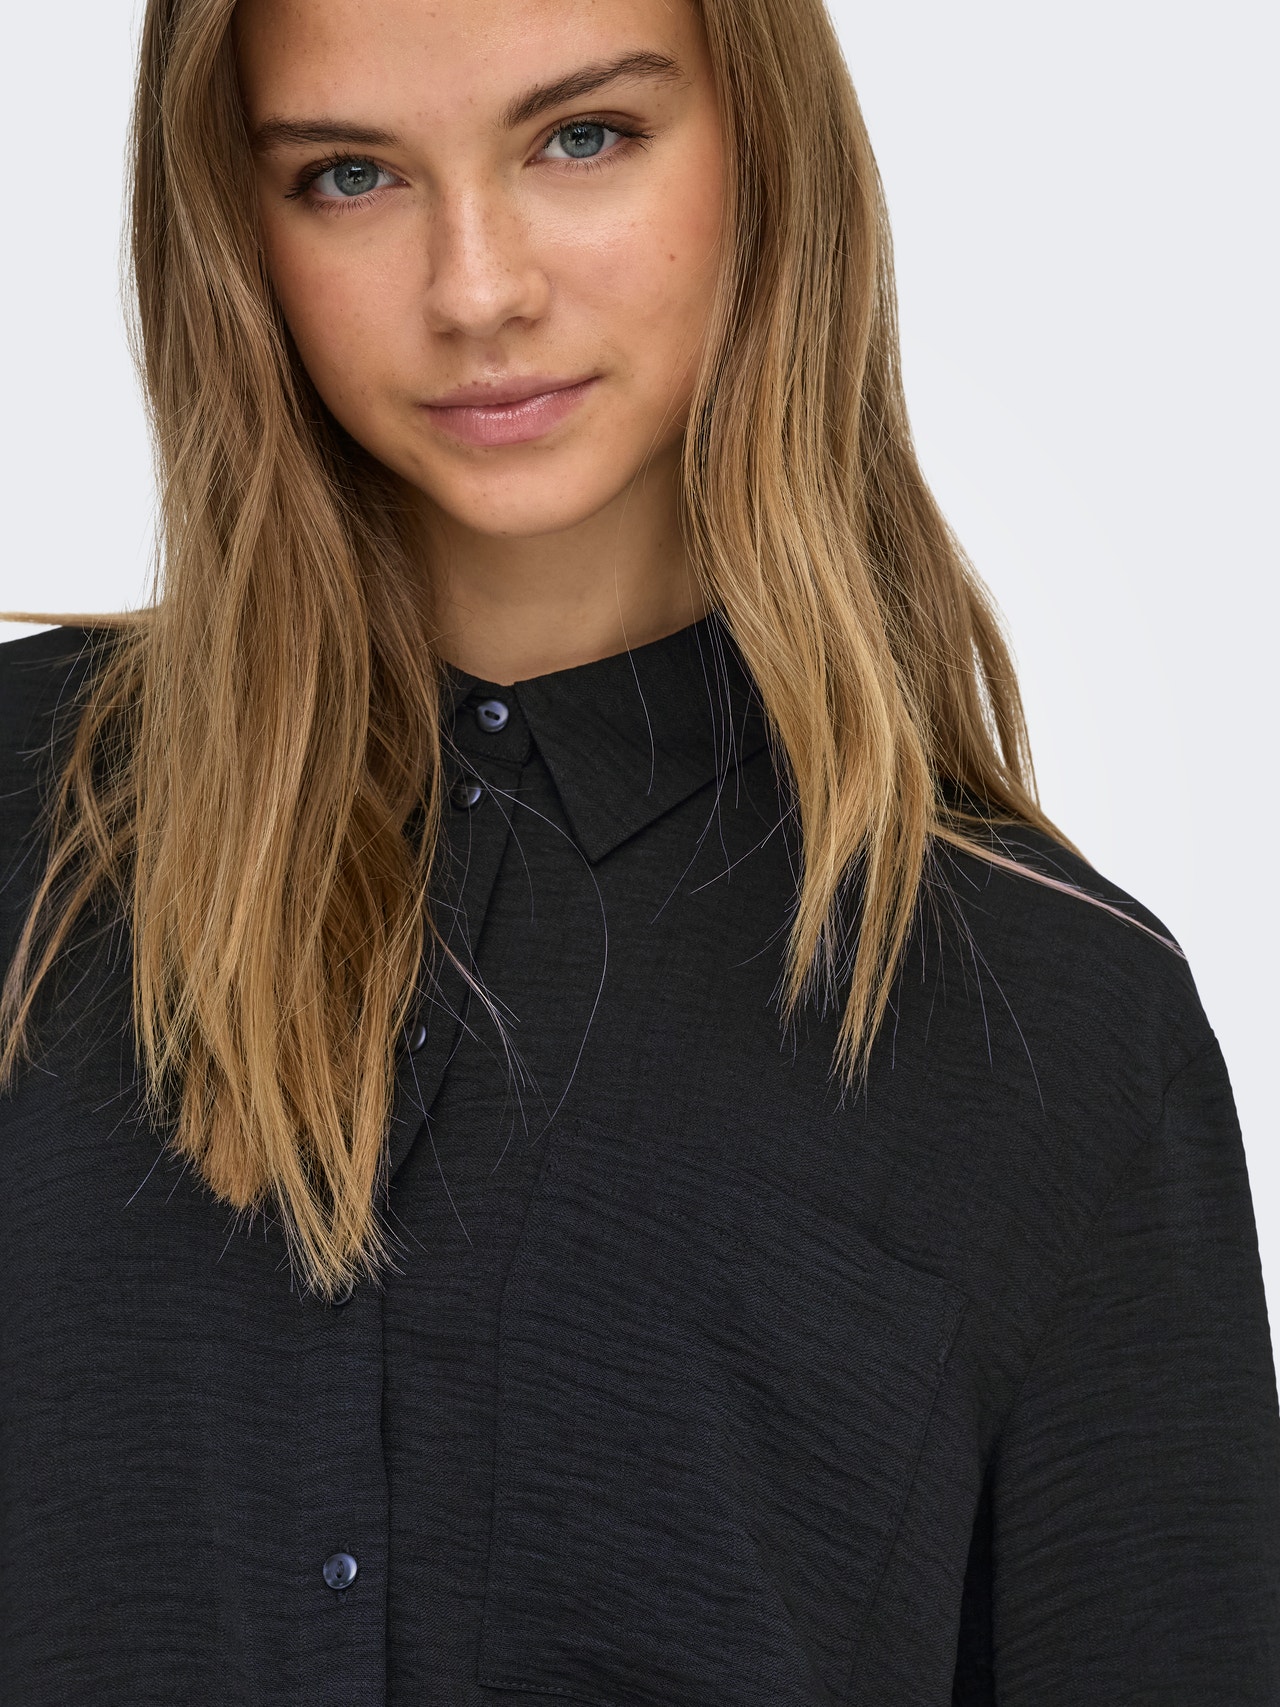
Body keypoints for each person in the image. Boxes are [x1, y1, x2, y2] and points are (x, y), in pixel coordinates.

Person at [1, 0, 1276, 1700]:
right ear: (231, 230)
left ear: (767, 151)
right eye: (352, 174)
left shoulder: (1054, 1022)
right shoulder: (26, 828)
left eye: (582, 138)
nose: (476, 290)